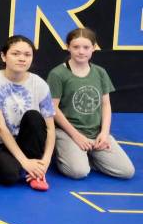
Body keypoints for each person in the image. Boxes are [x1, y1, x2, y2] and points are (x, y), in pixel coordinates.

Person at [48, 28, 134, 180]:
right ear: (68, 47)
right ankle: (65, 153)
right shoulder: (57, 74)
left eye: (86, 47)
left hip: (95, 133)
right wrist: (76, 136)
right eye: (76, 47)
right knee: (79, 172)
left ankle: (90, 156)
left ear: (94, 48)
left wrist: (104, 133)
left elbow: (106, 104)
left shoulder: (100, 72)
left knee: (126, 171)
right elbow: (53, 108)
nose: (81, 52)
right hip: (68, 132)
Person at [0, 35, 56, 190]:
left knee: (34, 116)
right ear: (3, 56)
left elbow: (50, 128)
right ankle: (24, 164)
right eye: (16, 54)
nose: (22, 59)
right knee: (9, 177)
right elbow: (0, 127)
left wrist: (45, 161)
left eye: (27, 55)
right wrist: (24, 162)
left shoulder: (40, 84)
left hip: (27, 139)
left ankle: (36, 171)